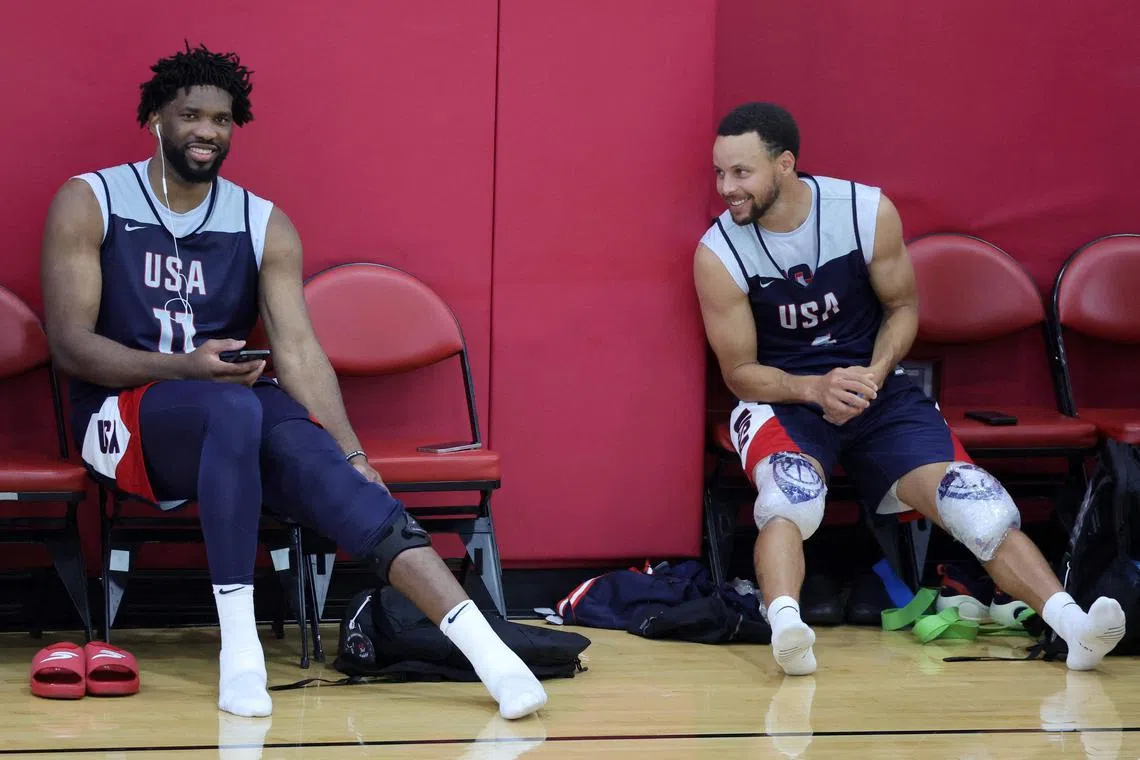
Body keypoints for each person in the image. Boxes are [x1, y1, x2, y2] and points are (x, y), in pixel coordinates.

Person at [39, 43, 547, 720]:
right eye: (191, 115)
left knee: (333, 475)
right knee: (233, 411)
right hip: (116, 419)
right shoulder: (91, 200)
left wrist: (354, 454)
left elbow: (300, 352)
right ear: (156, 117)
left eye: (222, 119)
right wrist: (184, 368)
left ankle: (492, 656)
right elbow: (72, 346)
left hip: (224, 411)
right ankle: (240, 651)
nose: (207, 131)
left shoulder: (261, 221)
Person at [692, 102, 1126, 676]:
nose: (727, 188)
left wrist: (873, 372)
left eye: (741, 173)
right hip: (784, 395)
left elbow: (902, 310)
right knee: (789, 498)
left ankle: (1074, 627)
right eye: (720, 173)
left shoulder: (865, 211)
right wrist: (815, 388)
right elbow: (739, 371)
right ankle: (787, 627)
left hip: (875, 389)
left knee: (977, 502)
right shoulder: (718, 252)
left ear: (786, 164)